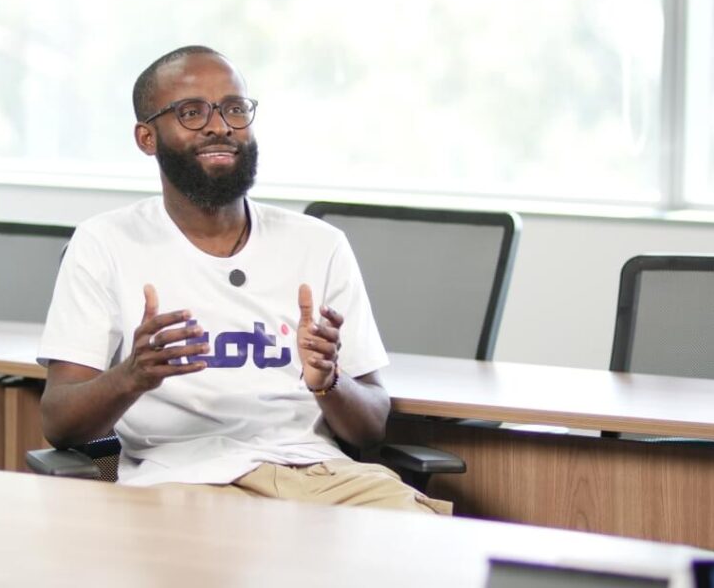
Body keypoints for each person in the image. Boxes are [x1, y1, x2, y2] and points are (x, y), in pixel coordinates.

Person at [37, 45, 449, 514]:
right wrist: (132, 376)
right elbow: (60, 421)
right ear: (147, 138)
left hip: (321, 477)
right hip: (185, 483)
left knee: (431, 551)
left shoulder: (319, 244)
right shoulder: (105, 243)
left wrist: (329, 382)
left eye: (235, 108)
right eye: (191, 112)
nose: (220, 125)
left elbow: (372, 424)